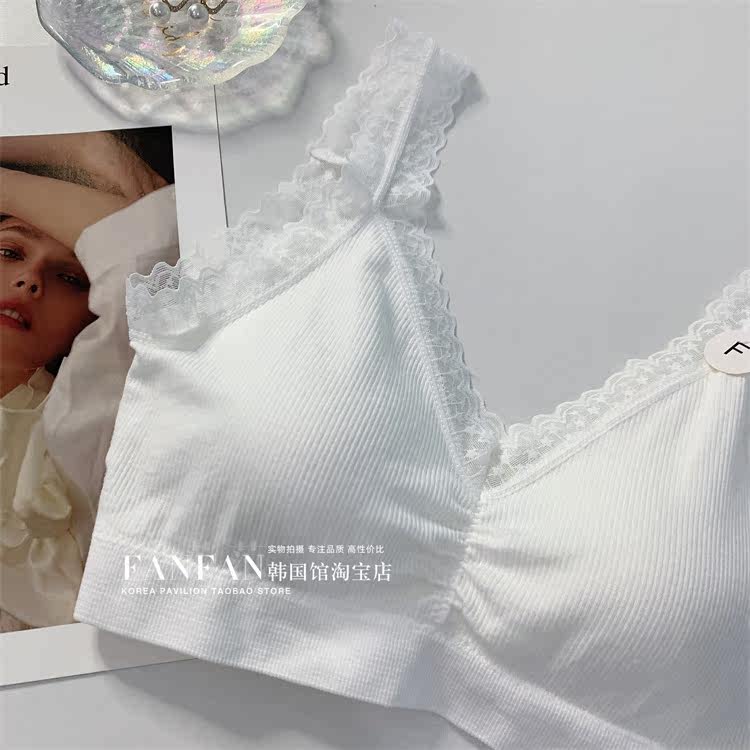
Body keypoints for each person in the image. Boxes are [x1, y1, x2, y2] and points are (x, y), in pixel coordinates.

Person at [0, 131, 178, 632]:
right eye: (9, 252)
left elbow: (154, 251)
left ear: (88, 322)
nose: (30, 281)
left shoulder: (76, 435)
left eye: (71, 278)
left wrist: (84, 147)